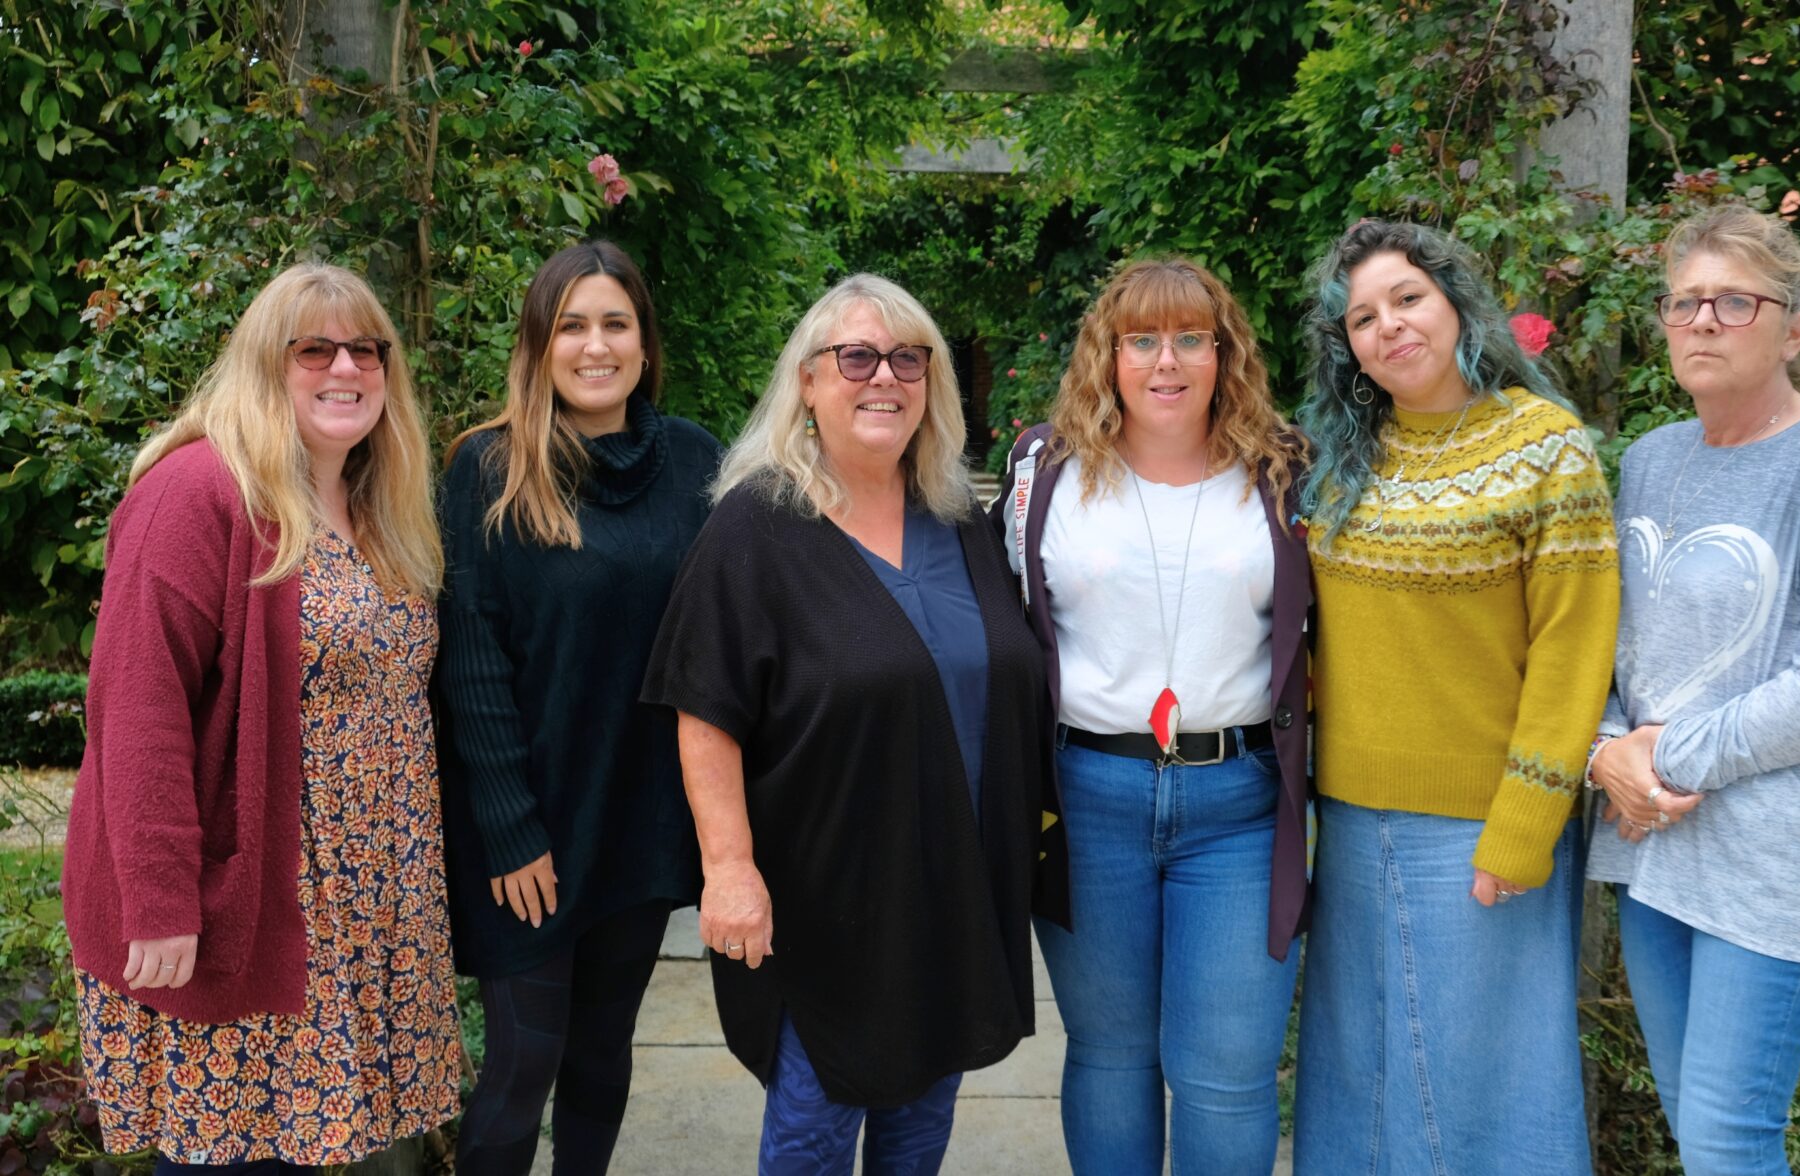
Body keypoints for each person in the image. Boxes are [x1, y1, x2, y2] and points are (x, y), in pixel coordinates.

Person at [639, 273, 1065, 1174]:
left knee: (920, 1131)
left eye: (908, 358)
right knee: (814, 1132)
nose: (885, 378)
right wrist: (729, 870)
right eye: (858, 357)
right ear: (808, 380)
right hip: (826, 900)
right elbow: (703, 709)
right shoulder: (756, 527)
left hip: (956, 887)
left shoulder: (961, 524)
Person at [61, 264, 459, 1173]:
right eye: (313, 348)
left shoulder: (373, 503)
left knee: (310, 1150)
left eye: (368, 349)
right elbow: (138, 706)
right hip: (247, 896)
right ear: (261, 364)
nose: (346, 367)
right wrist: (160, 901)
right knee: (230, 1154)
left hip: (367, 903)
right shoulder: (198, 493)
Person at [1585, 204, 1800, 1175]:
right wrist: (1607, 751)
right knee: (1699, 1129)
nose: (1703, 322)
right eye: (1685, 302)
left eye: (1735, 301)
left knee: (1730, 1138)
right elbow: (1603, 646)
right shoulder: (1648, 460)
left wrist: (1663, 755)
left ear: (1797, 322)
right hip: (1652, 848)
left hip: (1774, 861)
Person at [1292, 220, 1619, 1175]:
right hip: (1350, 819)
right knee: (1360, 1085)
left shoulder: (1544, 446)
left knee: (1483, 1095)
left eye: (1407, 299)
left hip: (1480, 821)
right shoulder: (1344, 456)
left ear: (1455, 303)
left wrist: (1526, 821)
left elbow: (1574, 648)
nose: (1387, 327)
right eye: (1361, 318)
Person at [988, 257, 1312, 1175]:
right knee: (1110, 1057)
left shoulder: (1284, 474)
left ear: (1224, 354)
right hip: (1088, 800)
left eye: (1188, 340)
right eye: (1141, 341)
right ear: (1109, 354)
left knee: (1228, 1074)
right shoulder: (1042, 474)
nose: (1164, 362)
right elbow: (996, 624)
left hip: (1240, 810)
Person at [434, 241, 723, 1174]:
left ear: (644, 342)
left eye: (615, 324)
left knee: (602, 1059)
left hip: (640, 819)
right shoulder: (488, 468)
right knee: (522, 1067)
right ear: (539, 343)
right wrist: (512, 828)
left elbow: (729, 635)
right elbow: (470, 662)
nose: (595, 347)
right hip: (530, 834)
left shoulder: (694, 465)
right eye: (572, 326)